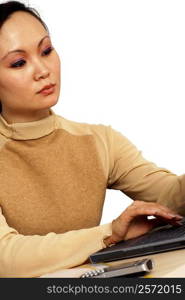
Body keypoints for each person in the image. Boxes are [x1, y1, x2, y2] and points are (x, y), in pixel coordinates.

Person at [0, 1, 184, 278]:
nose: (43, 70)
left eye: (47, 50)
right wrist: (110, 233)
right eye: (18, 63)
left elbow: (170, 197)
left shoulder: (98, 140)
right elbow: (6, 259)